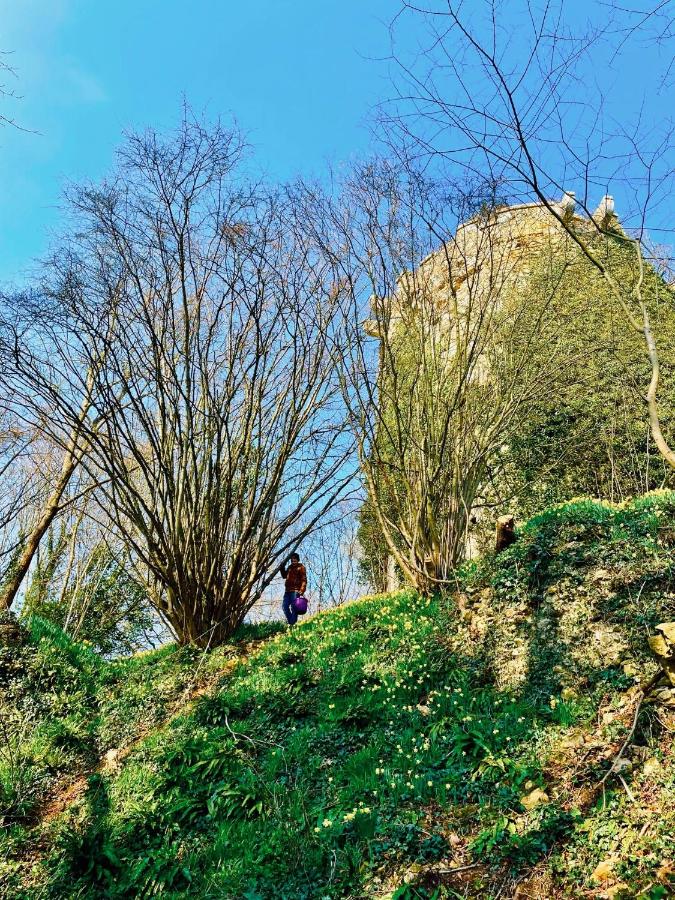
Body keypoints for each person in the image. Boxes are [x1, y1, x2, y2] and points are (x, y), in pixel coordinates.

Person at [280, 552, 307, 626]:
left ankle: (292, 624)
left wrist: (302, 590)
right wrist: (282, 568)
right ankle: (291, 623)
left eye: (295, 560)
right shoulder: (290, 567)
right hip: (287, 591)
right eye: (292, 560)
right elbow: (284, 576)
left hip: (295, 591)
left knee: (294, 607)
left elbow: (304, 580)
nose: (293, 562)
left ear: (297, 560)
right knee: (284, 606)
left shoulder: (301, 567)